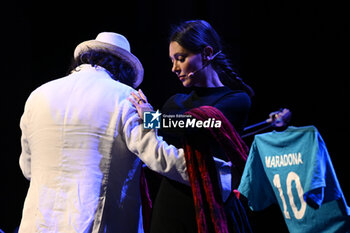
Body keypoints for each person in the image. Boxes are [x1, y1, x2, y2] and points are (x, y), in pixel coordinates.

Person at [18, 32, 189, 233]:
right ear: (125, 69)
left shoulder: (37, 96)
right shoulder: (127, 97)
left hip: (38, 225)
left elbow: (27, 169)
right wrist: (216, 173)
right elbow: (157, 156)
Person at [130, 20, 254, 233]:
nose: (174, 68)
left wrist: (152, 119)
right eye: (172, 61)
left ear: (207, 53)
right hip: (170, 205)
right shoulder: (176, 101)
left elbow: (199, 124)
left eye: (181, 58)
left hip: (213, 205)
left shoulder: (236, 100)